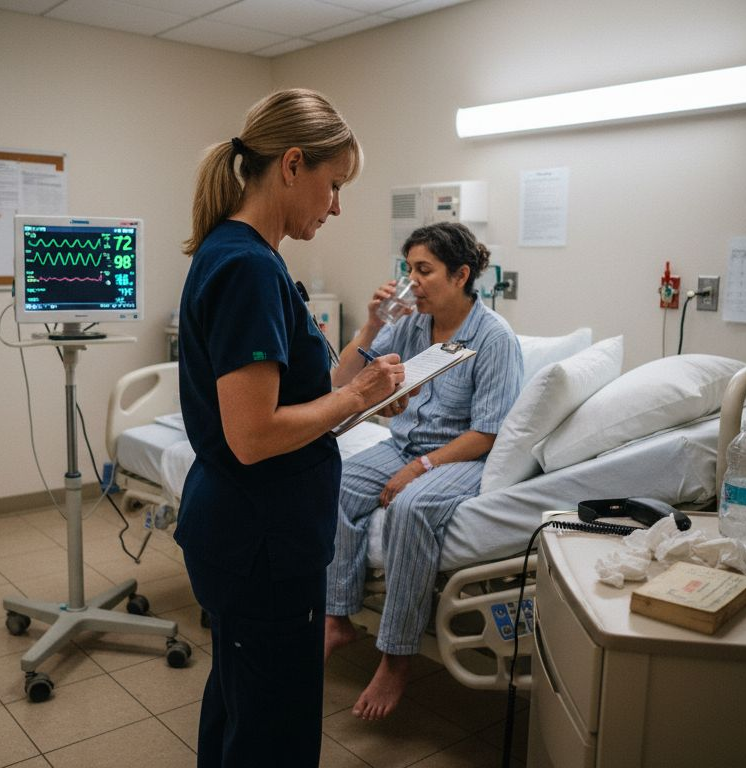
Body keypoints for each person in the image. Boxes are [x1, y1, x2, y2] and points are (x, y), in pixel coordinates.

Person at [176, 89, 404, 768]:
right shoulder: (247, 267)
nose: (336, 207)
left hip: (251, 537)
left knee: (243, 708)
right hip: (260, 543)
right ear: (293, 165)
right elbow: (253, 434)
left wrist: (364, 366)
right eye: (333, 186)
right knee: (272, 735)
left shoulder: (245, 255)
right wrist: (357, 395)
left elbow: (305, 401)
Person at [324, 221, 524, 720]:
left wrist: (420, 468)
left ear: (460, 275)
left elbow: (490, 432)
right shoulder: (411, 324)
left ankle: (396, 657)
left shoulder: (493, 338)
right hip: (404, 442)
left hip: (462, 454)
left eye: (424, 270)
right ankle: (336, 616)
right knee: (338, 480)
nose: (412, 281)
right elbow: (345, 378)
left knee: (410, 509)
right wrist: (371, 324)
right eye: (408, 268)